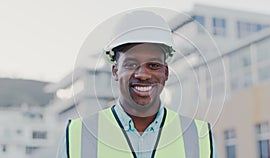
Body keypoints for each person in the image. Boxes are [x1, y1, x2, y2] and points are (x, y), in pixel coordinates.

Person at [57, 10, 216, 158]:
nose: (143, 75)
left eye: (153, 65)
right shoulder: (77, 135)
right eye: (131, 64)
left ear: (165, 73)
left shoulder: (199, 136)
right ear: (115, 71)